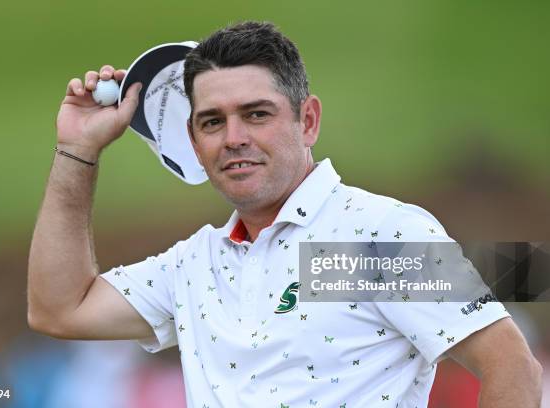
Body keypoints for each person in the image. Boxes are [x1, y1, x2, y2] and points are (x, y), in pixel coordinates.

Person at [27, 21, 542, 407]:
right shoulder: (194, 264)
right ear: (194, 141)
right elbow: (59, 308)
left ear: (308, 120)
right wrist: (78, 150)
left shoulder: (378, 238)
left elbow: (510, 364)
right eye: (212, 122)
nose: (234, 138)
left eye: (256, 114)